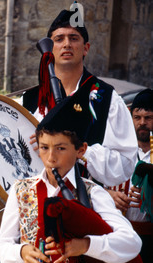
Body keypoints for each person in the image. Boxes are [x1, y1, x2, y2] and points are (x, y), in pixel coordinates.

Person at [0, 94, 142, 263]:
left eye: (61, 148)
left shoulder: (93, 193)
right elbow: (2, 246)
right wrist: (21, 253)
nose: (51, 158)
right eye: (44, 148)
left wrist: (86, 245)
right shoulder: (21, 190)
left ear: (80, 150)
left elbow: (131, 243)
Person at [22, 8, 137, 188]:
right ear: (49, 50)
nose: (66, 44)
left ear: (86, 48)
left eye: (73, 38)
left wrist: (81, 152)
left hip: (86, 203)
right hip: (35, 197)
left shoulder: (107, 99)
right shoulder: (30, 100)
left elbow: (126, 163)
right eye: (59, 39)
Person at [106, 88, 153, 263]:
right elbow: (89, 183)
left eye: (149, 117)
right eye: (138, 117)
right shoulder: (117, 150)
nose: (142, 122)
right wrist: (109, 194)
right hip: (119, 234)